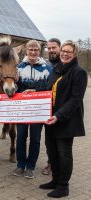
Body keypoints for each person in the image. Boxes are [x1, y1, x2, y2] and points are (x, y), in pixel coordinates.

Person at [39, 40, 88, 198]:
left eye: (69, 52)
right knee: (51, 150)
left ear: (74, 54)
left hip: (66, 120)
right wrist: (32, 92)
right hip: (50, 118)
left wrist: (58, 116)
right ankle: (55, 180)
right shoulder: (57, 69)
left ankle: (63, 186)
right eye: (64, 51)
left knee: (64, 153)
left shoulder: (78, 72)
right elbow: (48, 89)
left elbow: (75, 99)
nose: (65, 54)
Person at [13, 40, 52, 179]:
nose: (33, 52)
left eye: (36, 50)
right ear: (26, 51)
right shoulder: (18, 67)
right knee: (21, 138)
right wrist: (15, 83)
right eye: (31, 49)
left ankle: (30, 166)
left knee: (35, 139)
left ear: (39, 51)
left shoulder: (47, 69)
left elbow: (50, 89)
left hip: (38, 111)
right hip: (22, 110)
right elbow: (14, 89)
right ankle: (20, 165)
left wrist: (34, 90)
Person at [42, 38, 61, 175]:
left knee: (60, 139)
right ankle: (50, 163)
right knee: (49, 140)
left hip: (61, 108)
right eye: (49, 48)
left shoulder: (65, 64)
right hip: (47, 108)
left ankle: (59, 165)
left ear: (59, 48)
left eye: (54, 47)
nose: (51, 50)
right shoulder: (45, 65)